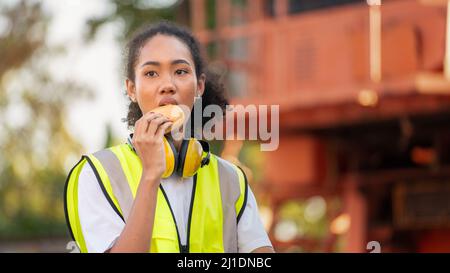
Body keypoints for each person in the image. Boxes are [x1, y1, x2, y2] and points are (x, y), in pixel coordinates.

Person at [64, 21, 274, 253]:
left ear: (199, 87)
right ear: (131, 89)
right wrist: (150, 175)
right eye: (151, 73)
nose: (167, 85)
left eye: (181, 71)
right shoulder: (97, 173)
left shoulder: (231, 179)